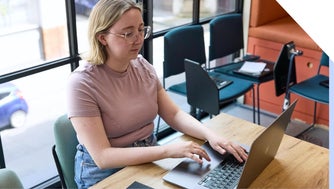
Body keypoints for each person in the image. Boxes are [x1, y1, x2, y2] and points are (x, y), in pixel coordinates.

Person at [67, 0, 248, 188]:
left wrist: (210, 135)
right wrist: (167, 151)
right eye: (128, 33)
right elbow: (103, 157)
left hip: (148, 157)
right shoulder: (81, 83)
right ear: (102, 38)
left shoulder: (142, 66)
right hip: (105, 174)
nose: (138, 39)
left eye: (140, 29)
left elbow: (174, 114)